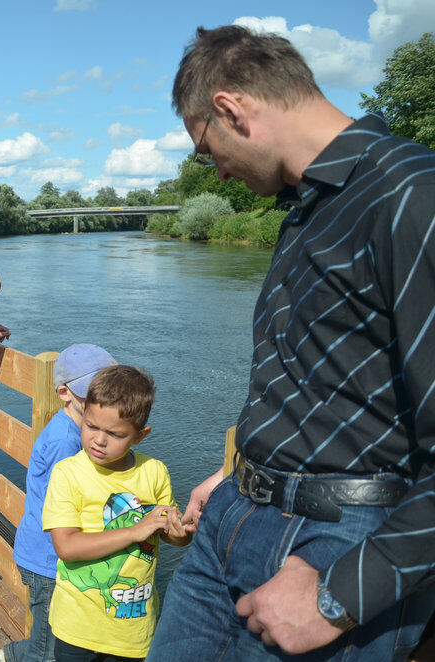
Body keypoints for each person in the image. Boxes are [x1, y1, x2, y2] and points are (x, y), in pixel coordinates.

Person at [146, 25, 435, 661]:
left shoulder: (411, 194)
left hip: (332, 549)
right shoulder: (308, 209)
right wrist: (239, 472)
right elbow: (324, 381)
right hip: (234, 514)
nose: (218, 170)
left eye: (207, 151)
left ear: (231, 109)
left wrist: (342, 596)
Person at [43, 365, 190, 662]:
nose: (99, 440)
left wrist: (182, 534)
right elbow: (66, 546)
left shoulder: (155, 472)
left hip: (133, 630)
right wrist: (134, 531)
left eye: (115, 434)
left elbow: (171, 535)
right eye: (91, 426)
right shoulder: (67, 474)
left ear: (140, 435)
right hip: (77, 628)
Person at [0, 344, 118, 662]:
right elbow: (66, 502)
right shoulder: (66, 441)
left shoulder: (78, 431)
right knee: (48, 650)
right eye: (93, 394)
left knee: (46, 638)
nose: (103, 402)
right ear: (64, 392)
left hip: (51, 555)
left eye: (108, 393)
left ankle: (10, 655)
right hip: (48, 561)